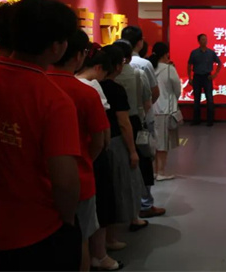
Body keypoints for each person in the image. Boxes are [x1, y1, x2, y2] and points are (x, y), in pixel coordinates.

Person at [0, 0, 82, 271]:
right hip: (34, 232)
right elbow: (64, 180)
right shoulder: (53, 99)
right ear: (56, 46)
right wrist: (68, 219)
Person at [48, 29, 111, 271]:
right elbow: (99, 140)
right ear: (78, 55)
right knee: (80, 239)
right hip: (80, 179)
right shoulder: (87, 92)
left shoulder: (37, 85)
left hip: (38, 181)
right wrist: (86, 160)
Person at [76, 45, 123, 270]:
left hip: (73, 154)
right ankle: (100, 255)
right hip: (92, 157)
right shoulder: (92, 87)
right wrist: (96, 155)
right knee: (99, 206)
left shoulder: (61, 82)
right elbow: (101, 132)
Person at [99, 44, 146, 249]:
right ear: (119, 65)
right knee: (118, 185)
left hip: (97, 141)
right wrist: (133, 151)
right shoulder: (116, 89)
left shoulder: (92, 85)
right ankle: (110, 237)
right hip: (115, 141)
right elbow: (124, 123)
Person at [112, 40, 166, 220]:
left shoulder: (104, 78)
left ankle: (120, 209)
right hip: (135, 121)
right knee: (142, 163)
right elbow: (150, 99)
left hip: (110, 126)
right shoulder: (138, 73)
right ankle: (144, 205)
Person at [151, 42, 182, 181]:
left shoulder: (149, 67)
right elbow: (177, 90)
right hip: (165, 109)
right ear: (166, 54)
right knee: (163, 144)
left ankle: (154, 170)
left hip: (151, 109)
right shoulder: (170, 69)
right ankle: (161, 172)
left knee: (153, 142)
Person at [187, 33, 222, 126]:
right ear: (199, 41)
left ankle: (210, 120)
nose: (205, 41)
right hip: (197, 77)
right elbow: (189, 65)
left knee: (209, 99)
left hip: (207, 77)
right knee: (196, 99)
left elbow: (219, 63)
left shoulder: (211, 53)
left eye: (206, 39)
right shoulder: (194, 53)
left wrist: (215, 75)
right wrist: (190, 78)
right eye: (203, 39)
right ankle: (196, 120)